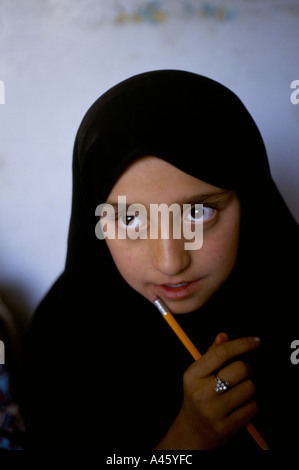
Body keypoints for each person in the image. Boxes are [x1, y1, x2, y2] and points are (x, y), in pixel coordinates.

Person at [20, 70, 298, 450]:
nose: (170, 263)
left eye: (199, 212)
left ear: (250, 200)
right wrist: (187, 439)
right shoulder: (62, 341)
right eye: (130, 219)